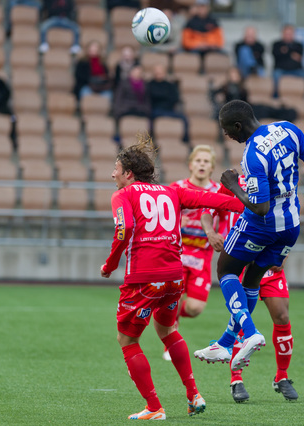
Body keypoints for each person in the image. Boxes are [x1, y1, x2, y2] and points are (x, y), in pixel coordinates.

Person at [193, 100, 304, 371]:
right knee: (251, 280)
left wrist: (232, 186)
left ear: (238, 126)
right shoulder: (288, 130)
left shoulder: (252, 155)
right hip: (291, 226)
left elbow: (260, 207)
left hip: (261, 224)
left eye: (227, 130)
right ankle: (227, 343)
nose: (227, 135)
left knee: (226, 271)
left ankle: (249, 333)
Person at [100, 138, 245, 420]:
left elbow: (124, 227)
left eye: (116, 168)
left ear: (129, 173)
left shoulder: (123, 195)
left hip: (143, 278)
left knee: (127, 340)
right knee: (167, 331)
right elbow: (209, 199)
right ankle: (194, 395)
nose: (112, 174)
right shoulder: (170, 192)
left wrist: (111, 264)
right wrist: (245, 205)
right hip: (174, 278)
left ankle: (154, 407)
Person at [197, 176, 299, 403]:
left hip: (268, 264)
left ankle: (282, 376)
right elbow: (207, 209)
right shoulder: (234, 182)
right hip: (241, 259)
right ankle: (236, 379)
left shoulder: (278, 183)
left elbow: (288, 218)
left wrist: (284, 254)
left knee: (282, 316)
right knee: (242, 319)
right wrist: (210, 233)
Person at [161, 146, 221, 360]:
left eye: (206, 161)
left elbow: (225, 217)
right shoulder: (176, 188)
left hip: (202, 256)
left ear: (212, 167)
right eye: (198, 160)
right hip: (177, 253)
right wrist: (176, 221)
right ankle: (170, 341)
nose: (202, 164)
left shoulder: (219, 191)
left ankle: (166, 314)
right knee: (173, 298)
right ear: (191, 164)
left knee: (195, 308)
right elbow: (162, 217)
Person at [148, 64, 189, 143]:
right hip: (155, 110)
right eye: (157, 73)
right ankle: (152, 140)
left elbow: (175, 98)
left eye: (160, 73)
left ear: (164, 73)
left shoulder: (170, 85)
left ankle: (185, 139)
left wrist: (160, 97)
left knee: (184, 118)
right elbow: (150, 98)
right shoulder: (149, 85)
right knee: (149, 119)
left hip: (169, 109)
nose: (158, 74)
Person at [271, 24, 304, 96]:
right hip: (280, 70)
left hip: (296, 70)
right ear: (282, 34)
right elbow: (276, 55)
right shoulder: (276, 44)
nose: (288, 36)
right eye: (286, 34)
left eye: (290, 34)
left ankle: (303, 96)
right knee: (275, 76)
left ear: (293, 34)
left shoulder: (299, 45)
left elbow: (299, 57)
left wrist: (285, 52)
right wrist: (292, 53)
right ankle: (276, 97)